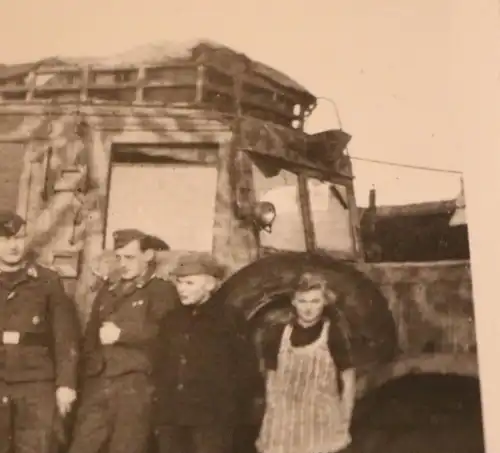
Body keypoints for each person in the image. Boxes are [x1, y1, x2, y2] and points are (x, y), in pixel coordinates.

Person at [68, 229, 180, 453]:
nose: (123, 264)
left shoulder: (161, 291)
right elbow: (91, 336)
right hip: (99, 383)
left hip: (135, 386)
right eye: (119, 257)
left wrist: (124, 334)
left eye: (130, 257)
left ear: (148, 256)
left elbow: (169, 335)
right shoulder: (108, 290)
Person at [152, 252, 264, 453]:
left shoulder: (229, 319)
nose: (181, 290)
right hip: (172, 417)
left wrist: (229, 412)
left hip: (212, 420)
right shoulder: (171, 319)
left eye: (189, 284)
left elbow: (246, 370)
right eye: (179, 283)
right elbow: (160, 363)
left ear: (210, 285)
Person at [0, 210, 81, 453]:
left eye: (19, 238)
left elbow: (66, 336)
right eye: (4, 239)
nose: (14, 245)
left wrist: (66, 384)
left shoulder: (47, 281)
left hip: (36, 384)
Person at [257, 272, 356, 453]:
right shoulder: (278, 333)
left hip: (321, 421)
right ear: (293, 302)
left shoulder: (333, 334)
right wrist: (273, 411)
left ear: (324, 302)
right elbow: (270, 376)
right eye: (302, 301)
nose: (308, 308)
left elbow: (348, 379)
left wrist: (344, 417)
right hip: (285, 423)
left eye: (315, 301)